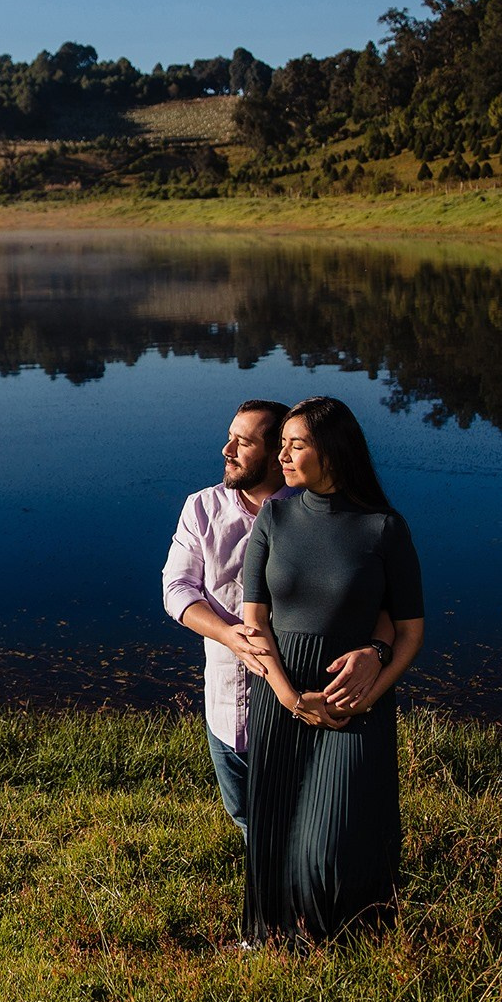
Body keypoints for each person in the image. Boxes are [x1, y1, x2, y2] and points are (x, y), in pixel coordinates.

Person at [238, 394, 425, 946]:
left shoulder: (384, 528)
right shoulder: (274, 515)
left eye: (296, 446)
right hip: (280, 693)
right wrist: (289, 695)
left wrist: (371, 688)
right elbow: (255, 622)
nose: (284, 456)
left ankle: (344, 938)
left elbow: (411, 632)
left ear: (335, 452)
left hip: (353, 703)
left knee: (331, 839)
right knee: (274, 831)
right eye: (281, 446)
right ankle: (272, 938)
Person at [161, 399, 393, 837]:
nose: (226, 450)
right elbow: (177, 590)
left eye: (242, 442)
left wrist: (374, 652)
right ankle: (268, 902)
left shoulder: (321, 513)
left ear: (275, 455)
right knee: (249, 820)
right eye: (230, 437)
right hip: (226, 707)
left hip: (305, 702)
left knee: (312, 825)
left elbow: (379, 599)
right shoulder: (202, 508)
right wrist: (229, 636)